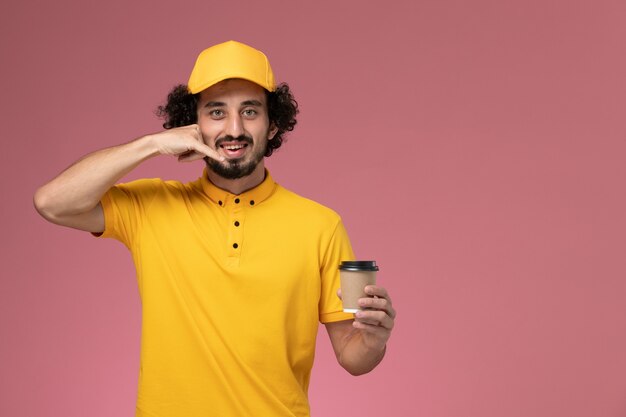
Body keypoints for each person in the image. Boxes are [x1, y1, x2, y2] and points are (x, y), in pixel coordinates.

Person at [34, 40, 396, 417]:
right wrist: (151, 144)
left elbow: (353, 358)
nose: (234, 129)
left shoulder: (320, 225)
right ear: (194, 125)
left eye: (250, 111)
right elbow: (52, 202)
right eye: (217, 112)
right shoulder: (150, 206)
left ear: (273, 125)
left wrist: (373, 339)